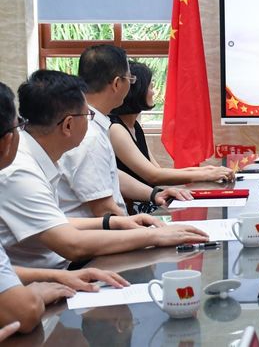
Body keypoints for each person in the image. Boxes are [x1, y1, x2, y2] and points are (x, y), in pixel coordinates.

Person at [0, 70, 209, 270]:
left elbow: (55, 221)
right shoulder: (20, 173)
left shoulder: (40, 155)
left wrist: (114, 223)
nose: (90, 121)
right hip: (49, 277)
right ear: (68, 125)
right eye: (87, 115)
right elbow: (72, 245)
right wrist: (155, 235)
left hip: (64, 266)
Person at [0, 81, 129, 335]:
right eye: (18, 125)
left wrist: (53, 278)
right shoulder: (17, 172)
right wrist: (156, 236)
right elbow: (23, 311)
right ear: (6, 142)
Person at [58, 45, 190, 218]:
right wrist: (146, 229)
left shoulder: (95, 124)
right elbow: (105, 211)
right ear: (117, 83)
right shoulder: (90, 136)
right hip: (102, 232)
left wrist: (155, 194)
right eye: (130, 79)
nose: (131, 84)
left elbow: (111, 173)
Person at [109, 61, 234, 189]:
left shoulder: (134, 126)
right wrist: (205, 175)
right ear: (136, 91)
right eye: (150, 87)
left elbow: (157, 170)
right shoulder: (116, 129)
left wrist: (205, 170)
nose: (153, 92)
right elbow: (153, 176)